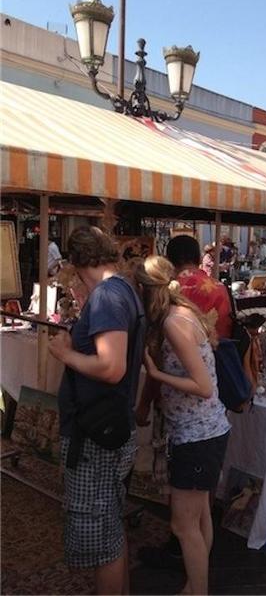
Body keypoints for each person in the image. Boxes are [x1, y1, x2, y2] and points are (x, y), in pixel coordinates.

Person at [48, 226, 146, 595]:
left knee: (100, 540)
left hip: (96, 434)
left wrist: (65, 354)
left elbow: (111, 367)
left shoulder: (107, 295)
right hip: (108, 426)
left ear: (78, 261)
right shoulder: (122, 289)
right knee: (109, 529)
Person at [135, 256, 231, 595]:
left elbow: (203, 386)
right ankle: (194, 585)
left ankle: (198, 591)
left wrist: (156, 375)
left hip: (197, 435)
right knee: (200, 517)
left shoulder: (174, 323)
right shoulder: (181, 313)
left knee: (183, 523)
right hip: (206, 431)